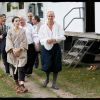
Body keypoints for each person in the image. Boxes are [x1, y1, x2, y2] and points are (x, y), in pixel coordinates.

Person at [38, 11, 66, 90]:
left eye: (52, 16)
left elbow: (63, 36)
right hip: (46, 48)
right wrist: (47, 40)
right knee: (47, 64)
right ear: (47, 17)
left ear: (54, 16)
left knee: (56, 65)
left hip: (55, 47)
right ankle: (47, 79)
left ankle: (54, 83)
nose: (50, 17)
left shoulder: (58, 26)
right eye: (49, 16)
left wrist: (55, 39)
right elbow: (40, 37)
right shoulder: (43, 27)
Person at [5, 16, 28, 93]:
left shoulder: (23, 31)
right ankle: (16, 82)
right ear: (13, 22)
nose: (18, 22)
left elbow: (24, 41)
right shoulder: (9, 31)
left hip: (21, 52)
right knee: (14, 67)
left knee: (21, 68)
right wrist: (13, 49)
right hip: (12, 52)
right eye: (16, 21)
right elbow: (8, 41)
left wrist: (19, 49)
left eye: (19, 21)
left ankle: (22, 84)